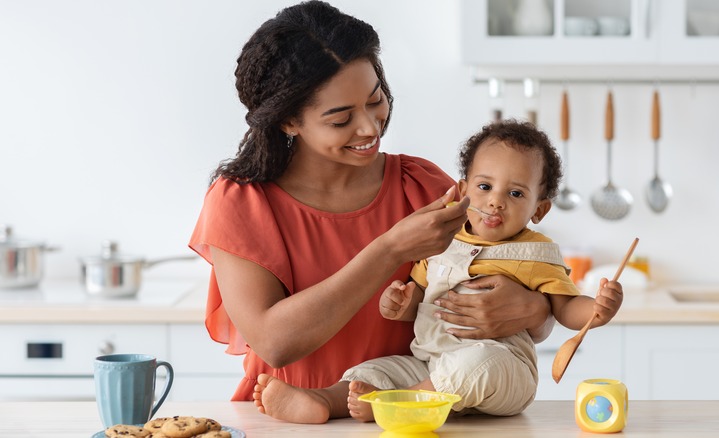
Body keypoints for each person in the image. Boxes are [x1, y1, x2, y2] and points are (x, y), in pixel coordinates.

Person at [188, 0, 554, 406]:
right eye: (340, 119)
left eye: (375, 99)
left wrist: (535, 309)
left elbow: (510, 285)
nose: (369, 126)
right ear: (289, 121)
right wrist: (391, 248)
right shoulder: (242, 202)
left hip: (411, 423)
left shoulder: (424, 186)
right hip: (287, 421)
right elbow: (274, 342)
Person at [252, 119, 625, 423]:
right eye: (484, 186)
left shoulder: (536, 251)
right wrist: (398, 302)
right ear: (462, 189)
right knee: (374, 371)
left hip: (502, 367)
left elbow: (565, 309)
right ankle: (324, 401)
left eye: (515, 194)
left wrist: (598, 309)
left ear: (538, 210)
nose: (495, 200)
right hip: (428, 362)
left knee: (479, 364)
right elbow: (416, 298)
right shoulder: (442, 236)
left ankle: (405, 405)